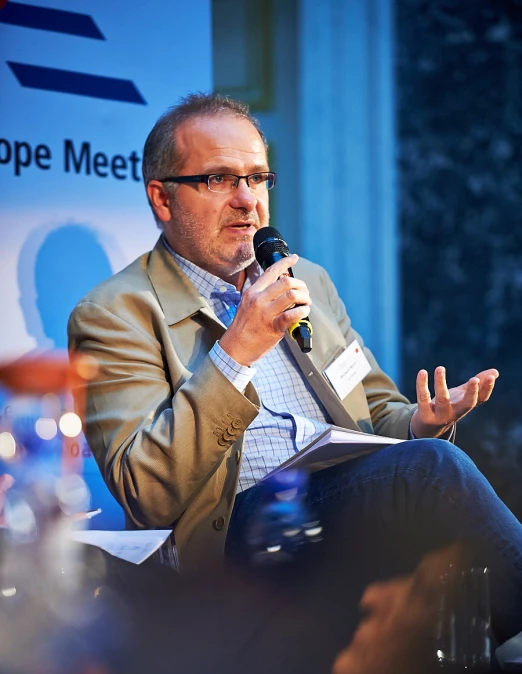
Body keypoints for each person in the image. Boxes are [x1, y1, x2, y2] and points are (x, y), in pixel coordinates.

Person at [68, 92, 522, 638]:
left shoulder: (306, 278)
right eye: (219, 179)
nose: (246, 200)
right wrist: (238, 350)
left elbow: (377, 410)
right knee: (433, 472)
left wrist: (424, 423)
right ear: (163, 200)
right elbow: (144, 488)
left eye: (257, 178)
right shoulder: (115, 313)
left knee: (435, 488)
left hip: (349, 502)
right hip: (235, 535)